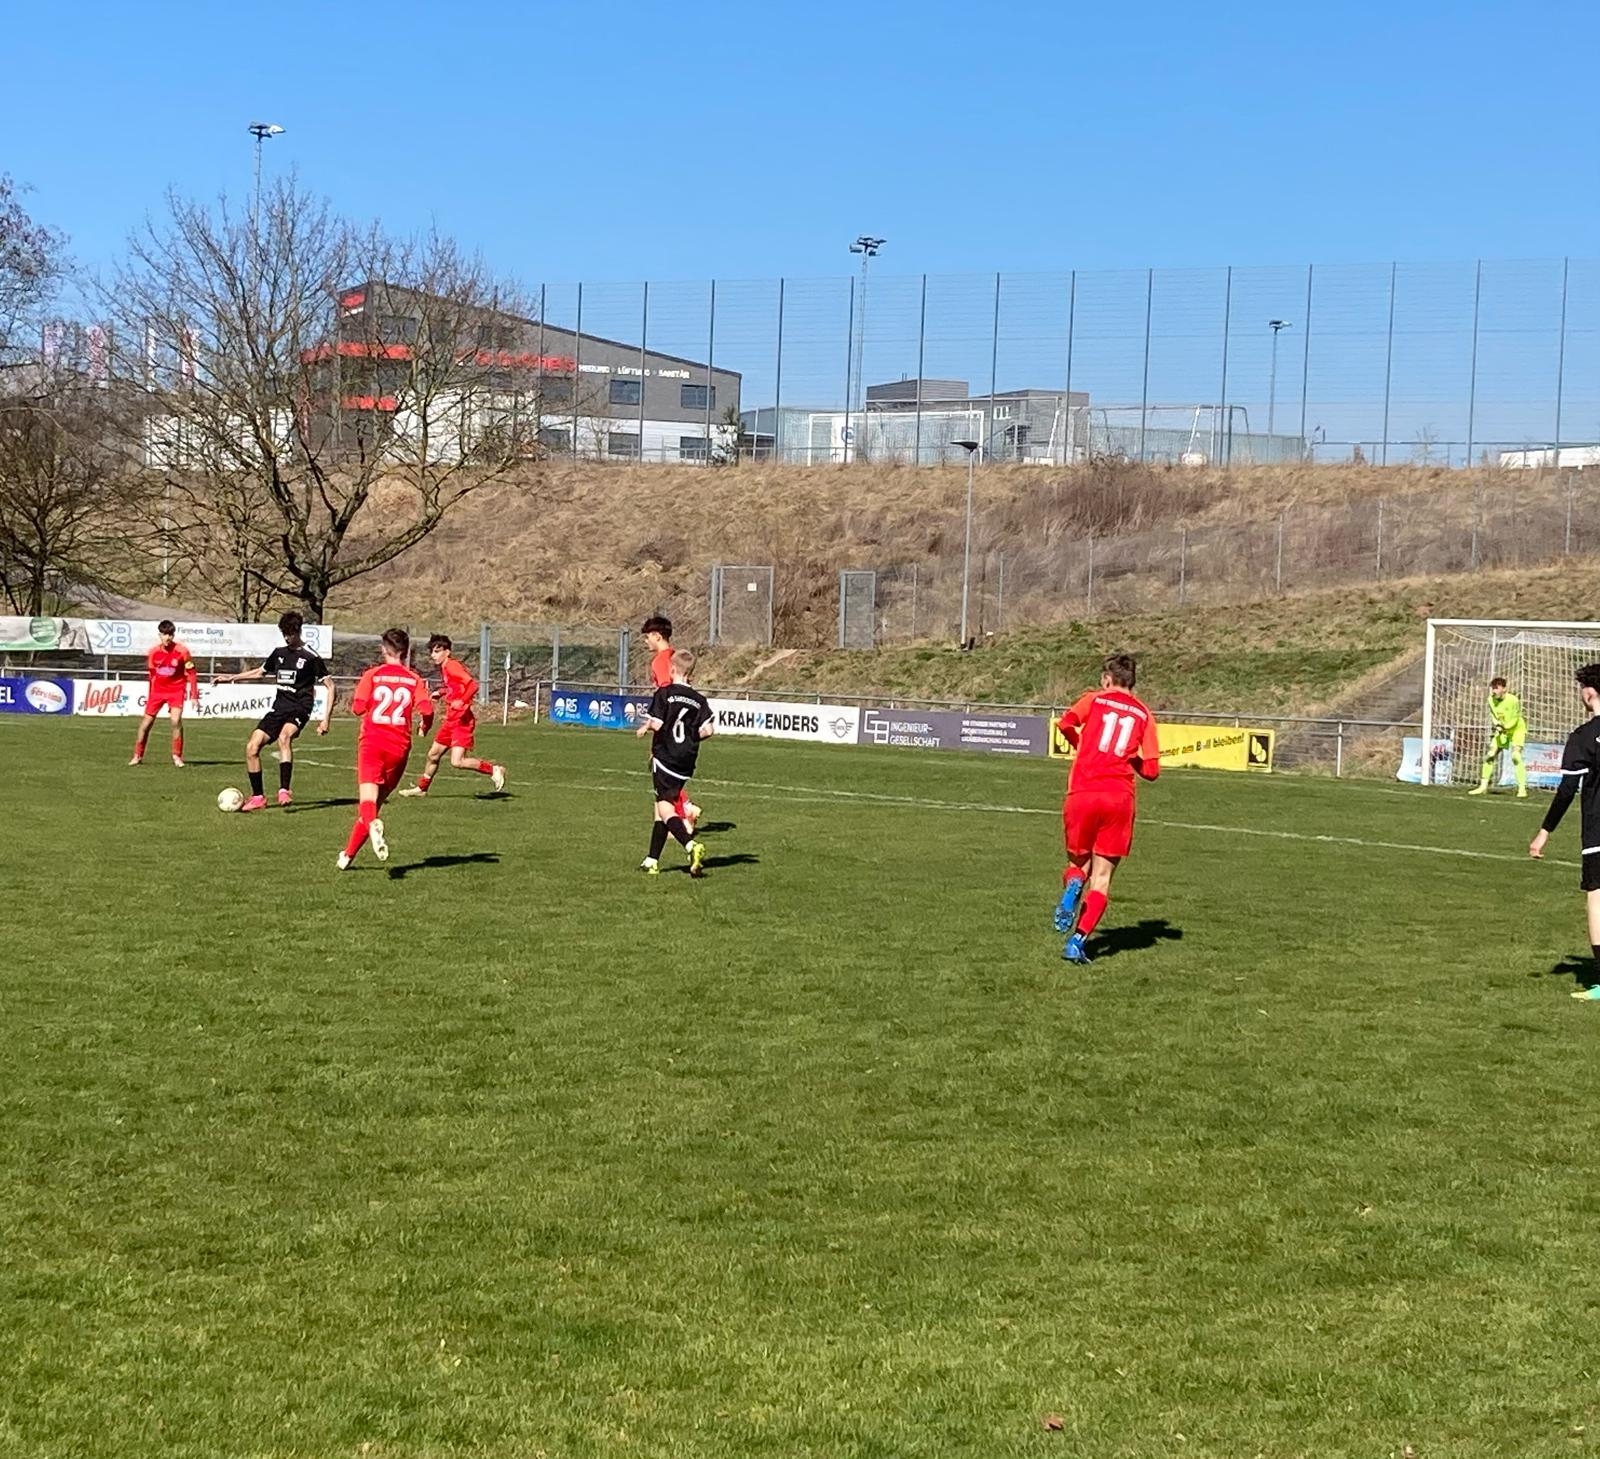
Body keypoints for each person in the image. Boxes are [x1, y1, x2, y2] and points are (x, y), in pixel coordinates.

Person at [1052, 653, 1161, 964]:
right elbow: (1152, 771)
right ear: (1132, 682)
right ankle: (1077, 942)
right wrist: (1130, 758)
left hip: (1083, 792)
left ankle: (1074, 882)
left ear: (1106, 679)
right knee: (1101, 879)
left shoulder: (1094, 699)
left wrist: (1082, 746)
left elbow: (1066, 724)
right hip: (1118, 798)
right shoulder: (1144, 714)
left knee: (1078, 865)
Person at [215, 611, 335, 811]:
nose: (287, 638)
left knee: (284, 737)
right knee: (252, 747)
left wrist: (326, 720)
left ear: (298, 631)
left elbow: (331, 686)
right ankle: (258, 798)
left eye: (290, 634)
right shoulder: (279, 653)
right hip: (279, 707)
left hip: (300, 707)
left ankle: (284, 790)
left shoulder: (311, 657)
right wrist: (231, 678)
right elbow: (260, 672)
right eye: (284, 634)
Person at [1529, 663, 1600, 999]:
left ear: (1589, 693)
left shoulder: (1583, 737)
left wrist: (1545, 832)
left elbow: (1567, 791)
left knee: (1597, 899)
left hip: (1598, 832)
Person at [338, 628, 435, 870]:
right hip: (399, 748)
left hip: (372, 742)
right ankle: (347, 856)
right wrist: (425, 725)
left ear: (383, 649)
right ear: (406, 651)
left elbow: (358, 708)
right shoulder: (414, 679)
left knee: (367, 802)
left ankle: (373, 825)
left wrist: (368, 701)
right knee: (375, 804)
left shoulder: (372, 675)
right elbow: (427, 709)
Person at [634, 648, 713, 877]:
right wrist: (690, 738)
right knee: (663, 805)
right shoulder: (699, 700)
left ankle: (690, 845)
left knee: (664, 807)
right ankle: (652, 860)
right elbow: (708, 730)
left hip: (666, 757)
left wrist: (646, 726)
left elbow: (658, 724)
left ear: (671, 669)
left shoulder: (665, 693)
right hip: (685, 760)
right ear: (691, 673)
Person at [396, 635, 505, 797]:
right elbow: (456, 687)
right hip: (451, 720)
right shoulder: (446, 667)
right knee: (433, 755)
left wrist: (462, 701)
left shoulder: (452, 666)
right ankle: (422, 789)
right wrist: (441, 692)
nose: (433, 655)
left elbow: (472, 685)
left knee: (457, 762)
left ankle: (494, 769)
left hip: (462, 721)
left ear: (447, 652)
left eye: (437, 651)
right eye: (432, 652)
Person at [642, 614, 702, 831]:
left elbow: (667, 695)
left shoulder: (660, 662)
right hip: (681, 727)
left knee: (661, 773)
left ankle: (683, 810)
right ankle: (676, 816)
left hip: (667, 726)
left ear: (657, 636)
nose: (646, 641)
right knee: (668, 775)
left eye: (647, 637)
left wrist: (656, 727)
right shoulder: (675, 657)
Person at [129, 619, 199, 767]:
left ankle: (177, 756)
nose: (167, 638)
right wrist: (151, 694)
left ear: (173, 635)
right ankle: (137, 755)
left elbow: (192, 673)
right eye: (164, 634)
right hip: (158, 691)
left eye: (170, 635)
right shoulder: (153, 653)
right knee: (146, 724)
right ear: (159, 635)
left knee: (175, 721)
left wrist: (194, 695)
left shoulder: (182, 651)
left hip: (176, 690)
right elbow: (152, 675)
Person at [1469, 676, 1528, 798]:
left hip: (1516, 729)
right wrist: (1497, 725)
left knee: (1516, 756)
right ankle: (1483, 787)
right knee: (1490, 755)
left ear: (1504, 689)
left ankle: (1522, 789)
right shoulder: (1490, 700)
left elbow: (1515, 719)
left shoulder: (1513, 700)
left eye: (1496, 688)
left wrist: (1505, 727)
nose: (1494, 691)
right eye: (1493, 688)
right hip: (1502, 729)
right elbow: (1494, 716)